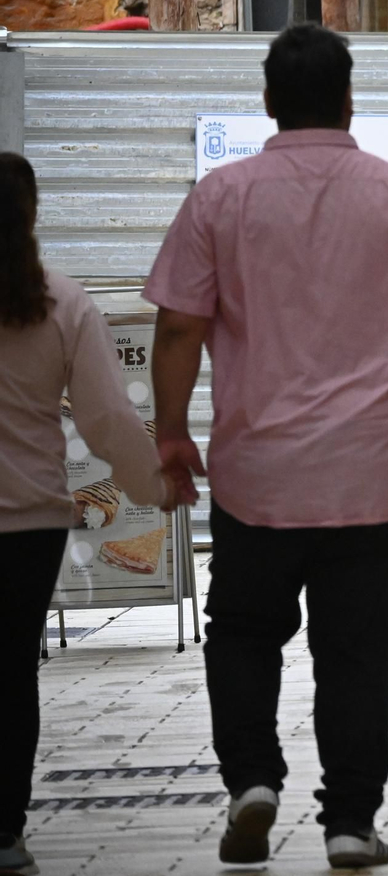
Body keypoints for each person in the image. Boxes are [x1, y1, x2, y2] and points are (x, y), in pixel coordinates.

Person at [145, 23, 388, 871]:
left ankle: (253, 779)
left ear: (267, 103)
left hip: (257, 469)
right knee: (357, 651)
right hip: (368, 473)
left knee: (245, 632)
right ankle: (349, 822)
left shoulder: (221, 197)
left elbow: (180, 328)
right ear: (348, 99)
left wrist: (170, 430)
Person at [0, 154, 188, 876]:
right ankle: (4, 830)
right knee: (13, 676)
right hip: (28, 525)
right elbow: (109, 420)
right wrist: (159, 483)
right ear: (33, 215)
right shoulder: (62, 303)